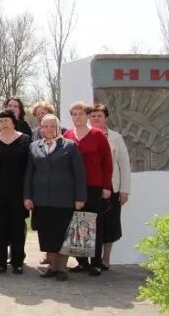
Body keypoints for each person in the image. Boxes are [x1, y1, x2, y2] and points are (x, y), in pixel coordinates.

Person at [23, 114, 87, 282]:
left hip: (64, 199)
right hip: (41, 199)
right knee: (46, 233)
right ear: (41, 128)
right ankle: (51, 267)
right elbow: (29, 173)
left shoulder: (70, 146)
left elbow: (79, 174)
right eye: (45, 126)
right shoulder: (34, 146)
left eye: (52, 126)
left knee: (63, 233)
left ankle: (62, 268)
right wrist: (27, 196)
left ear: (58, 128)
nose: (48, 130)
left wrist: (80, 198)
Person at [64, 101, 113, 276]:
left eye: (81, 114)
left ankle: (96, 262)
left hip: (94, 186)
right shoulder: (68, 135)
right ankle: (82, 261)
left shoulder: (98, 135)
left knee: (94, 224)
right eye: (74, 114)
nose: (77, 117)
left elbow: (107, 162)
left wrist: (107, 186)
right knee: (78, 223)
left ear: (87, 116)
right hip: (74, 187)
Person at [0, 109, 32, 274]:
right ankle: (1, 263)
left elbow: (30, 169)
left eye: (6, 120)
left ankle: (18, 262)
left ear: (13, 121)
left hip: (19, 194)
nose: (3, 123)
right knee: (1, 227)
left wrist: (29, 193)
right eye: (0, 121)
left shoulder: (25, 140)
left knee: (18, 227)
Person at [88, 103, 131, 270]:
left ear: (106, 118)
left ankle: (105, 258)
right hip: (90, 188)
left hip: (111, 188)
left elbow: (124, 165)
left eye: (99, 115)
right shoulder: (83, 135)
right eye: (93, 116)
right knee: (90, 224)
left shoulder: (115, 138)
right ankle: (90, 260)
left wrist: (125, 190)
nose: (96, 118)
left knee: (109, 224)